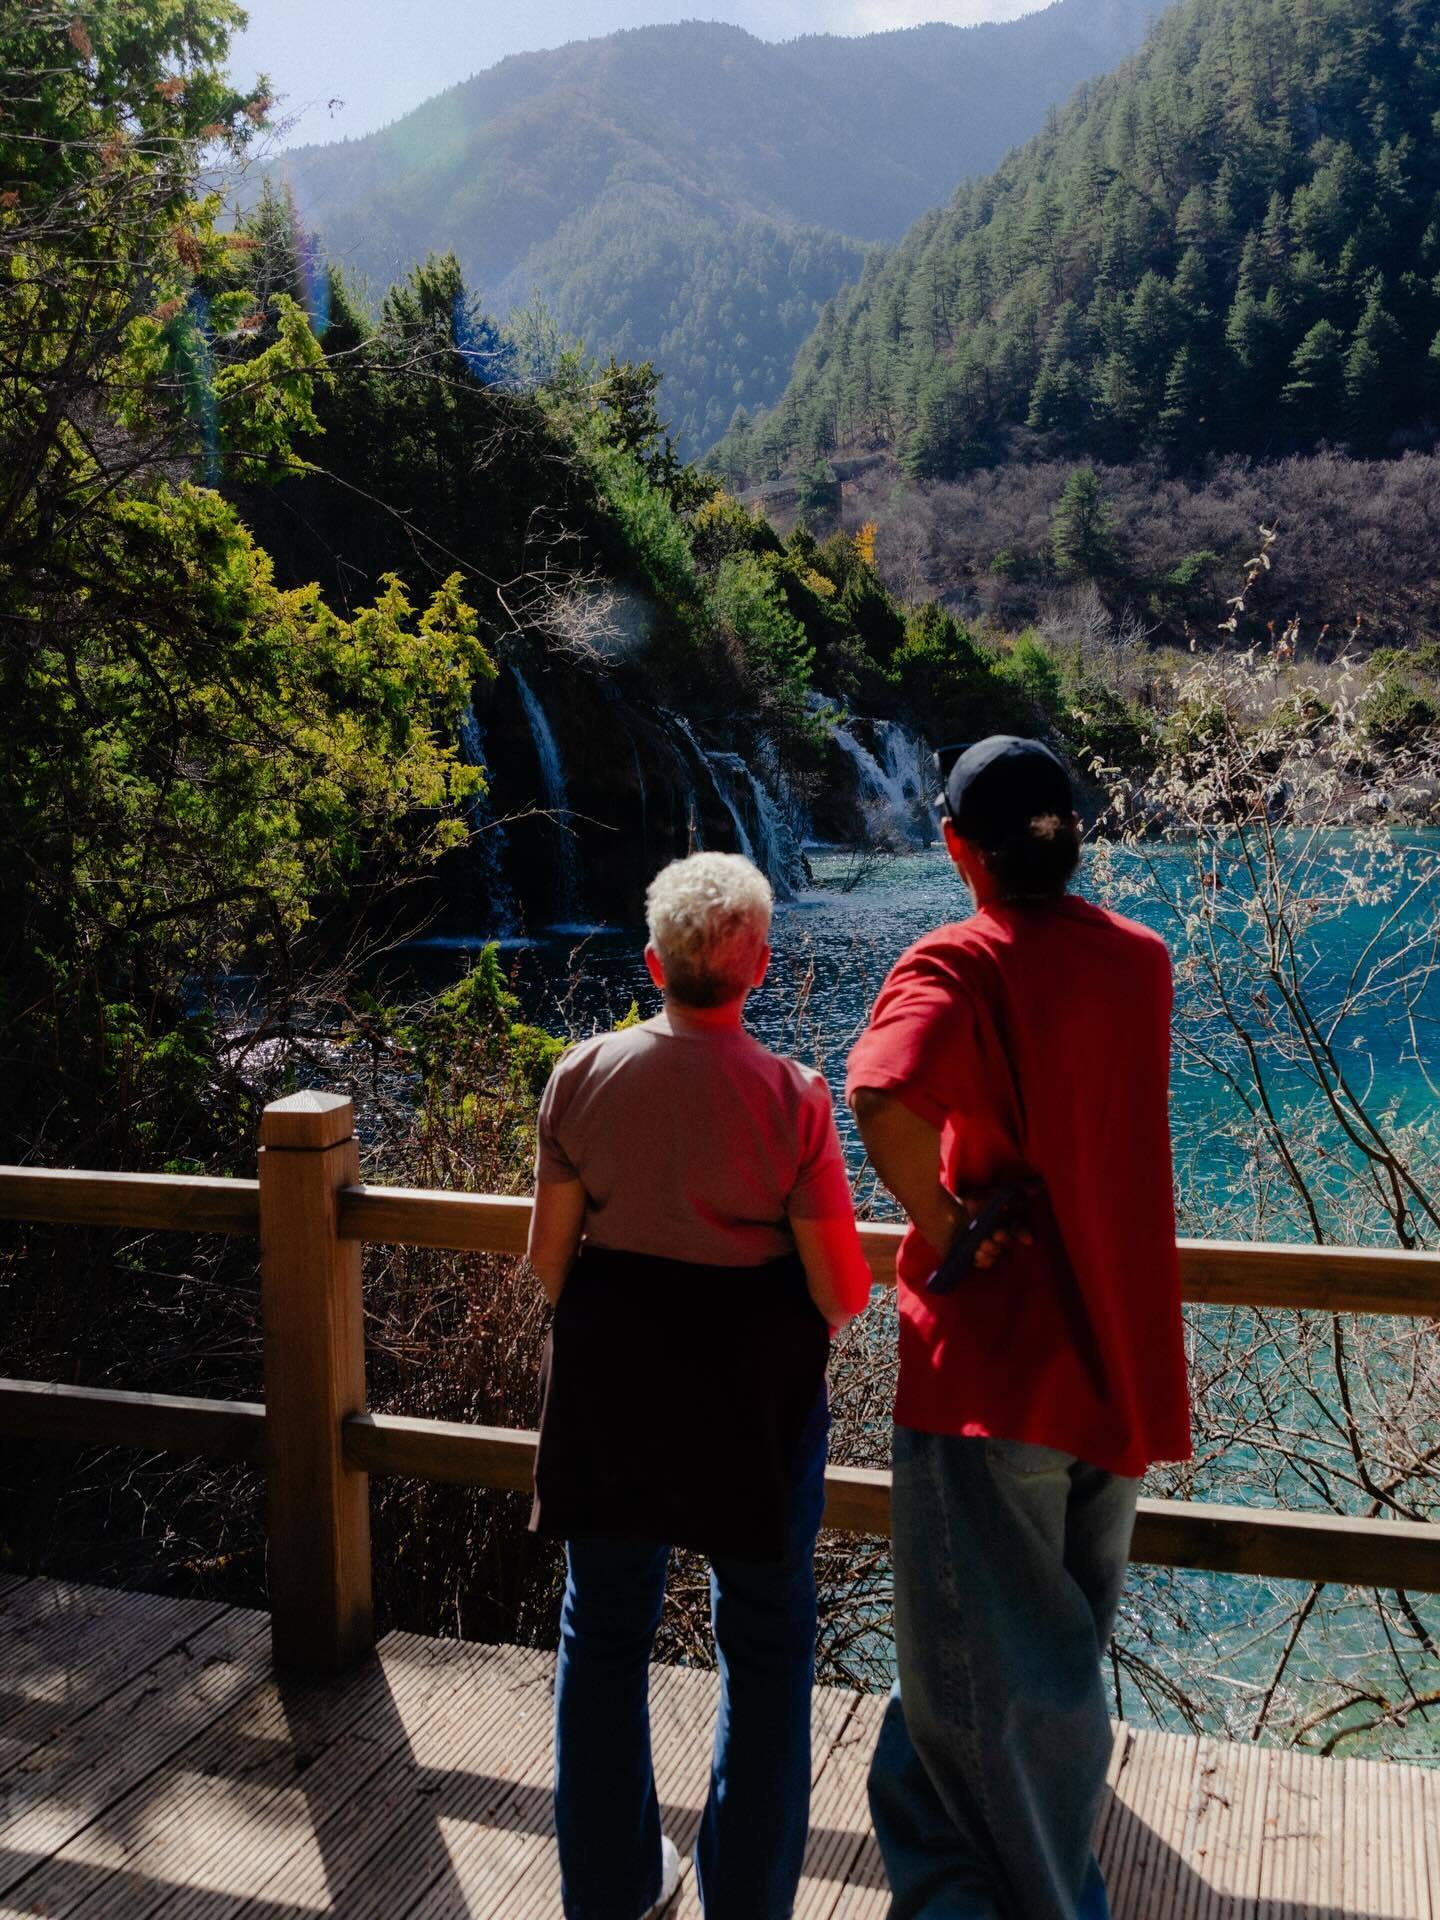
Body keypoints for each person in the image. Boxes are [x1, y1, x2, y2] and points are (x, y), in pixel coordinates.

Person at [845, 736, 1191, 1920]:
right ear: (1074, 837)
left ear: (956, 849)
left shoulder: (958, 960)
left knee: (981, 1707)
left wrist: (942, 1226)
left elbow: (879, 1093)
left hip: (993, 1380)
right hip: (1118, 1374)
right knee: (1033, 1684)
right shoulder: (1140, 962)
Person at [528, 850, 873, 1920]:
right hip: (747, 1408)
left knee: (603, 1630)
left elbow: (547, 1266)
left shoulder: (578, 1075)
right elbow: (840, 1290)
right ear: (760, 967)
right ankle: (748, 1903)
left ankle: (613, 1891)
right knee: (767, 1645)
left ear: (651, 962)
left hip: (614, 1393)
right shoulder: (794, 1096)